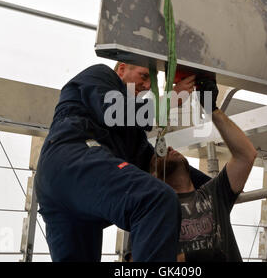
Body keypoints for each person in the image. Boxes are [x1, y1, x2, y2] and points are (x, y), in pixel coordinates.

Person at [34, 62, 211, 262]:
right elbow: (113, 111)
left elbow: (154, 160)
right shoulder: (100, 75)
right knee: (155, 199)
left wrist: (213, 188)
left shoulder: (132, 138)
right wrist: (171, 100)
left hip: (66, 194)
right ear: (121, 69)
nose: (146, 86)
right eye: (143, 76)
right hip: (71, 157)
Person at [148, 79, 257, 262]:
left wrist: (212, 110)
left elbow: (246, 155)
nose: (167, 148)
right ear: (153, 176)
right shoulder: (150, 212)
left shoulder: (213, 194)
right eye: (158, 155)